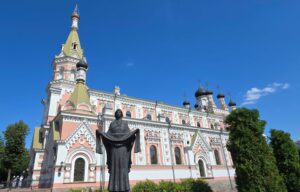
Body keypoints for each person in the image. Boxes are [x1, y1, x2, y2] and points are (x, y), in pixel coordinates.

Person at [96, 109, 140, 192]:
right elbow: (108, 135)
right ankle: (113, 187)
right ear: (115, 114)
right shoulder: (112, 124)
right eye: (117, 112)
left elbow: (128, 135)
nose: (118, 113)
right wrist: (101, 133)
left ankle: (125, 187)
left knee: (123, 168)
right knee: (114, 168)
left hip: (123, 149)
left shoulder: (125, 124)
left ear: (122, 114)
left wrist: (135, 132)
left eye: (119, 112)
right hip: (114, 150)